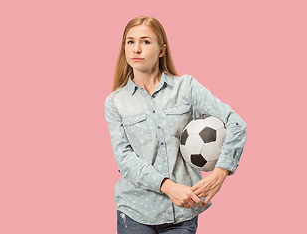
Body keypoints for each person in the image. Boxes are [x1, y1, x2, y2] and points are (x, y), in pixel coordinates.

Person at [105, 16, 247, 234]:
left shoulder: (186, 87)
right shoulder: (115, 102)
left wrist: (221, 172)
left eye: (145, 41)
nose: (136, 49)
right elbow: (124, 159)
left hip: (183, 212)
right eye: (130, 42)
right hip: (134, 212)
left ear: (161, 50)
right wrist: (168, 187)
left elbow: (236, 123)